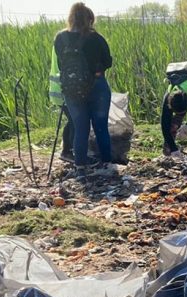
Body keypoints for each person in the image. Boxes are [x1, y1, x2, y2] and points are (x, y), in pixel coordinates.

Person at [54, 2, 114, 174]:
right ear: (89, 19)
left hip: (71, 89)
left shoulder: (60, 38)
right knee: (100, 126)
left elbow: (61, 64)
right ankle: (107, 163)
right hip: (97, 86)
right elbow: (108, 61)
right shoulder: (96, 38)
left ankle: (80, 165)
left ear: (71, 18)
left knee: (80, 127)